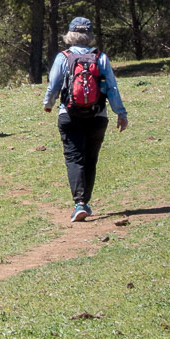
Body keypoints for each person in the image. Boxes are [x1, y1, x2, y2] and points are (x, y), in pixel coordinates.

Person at [42, 17, 129, 222]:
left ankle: (79, 203)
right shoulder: (101, 57)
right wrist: (121, 113)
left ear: (70, 35)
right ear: (89, 36)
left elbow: (53, 85)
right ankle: (85, 202)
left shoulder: (63, 57)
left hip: (69, 115)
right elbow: (112, 87)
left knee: (74, 158)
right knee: (91, 159)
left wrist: (48, 104)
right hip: (97, 115)